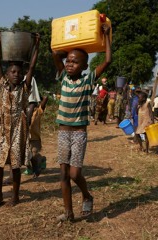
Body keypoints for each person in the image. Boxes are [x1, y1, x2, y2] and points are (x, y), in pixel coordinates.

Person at [52, 23, 111, 221]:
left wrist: (106, 37)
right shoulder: (62, 78)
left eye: (75, 62)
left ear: (85, 66)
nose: (69, 64)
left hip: (78, 134)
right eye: (68, 61)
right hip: (62, 133)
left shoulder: (88, 81)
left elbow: (108, 61)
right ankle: (68, 213)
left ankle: (87, 195)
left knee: (75, 174)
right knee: (62, 175)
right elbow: (54, 54)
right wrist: (68, 40)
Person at [0, 32, 40, 208]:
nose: (16, 74)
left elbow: (32, 66)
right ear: (7, 74)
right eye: (12, 72)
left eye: (19, 72)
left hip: (18, 129)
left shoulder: (25, 87)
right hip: (2, 129)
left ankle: (15, 196)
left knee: (15, 165)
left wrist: (36, 46)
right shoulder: (2, 84)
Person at [26, 96, 48, 178]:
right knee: (26, 156)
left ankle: (37, 168)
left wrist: (37, 94)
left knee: (34, 155)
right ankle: (40, 160)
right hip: (25, 139)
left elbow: (45, 99)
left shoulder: (38, 111)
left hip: (35, 138)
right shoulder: (23, 111)